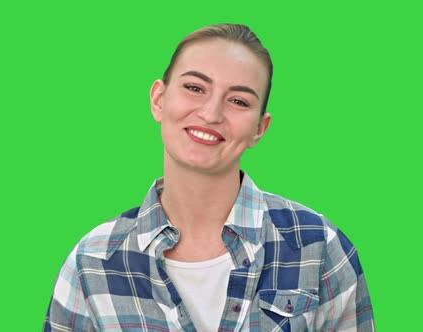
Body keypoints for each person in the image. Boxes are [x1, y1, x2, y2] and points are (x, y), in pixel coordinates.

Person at [44, 23, 374, 332]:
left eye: (239, 101)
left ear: (259, 128)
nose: (211, 113)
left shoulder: (318, 248)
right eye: (194, 87)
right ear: (159, 99)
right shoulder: (93, 261)